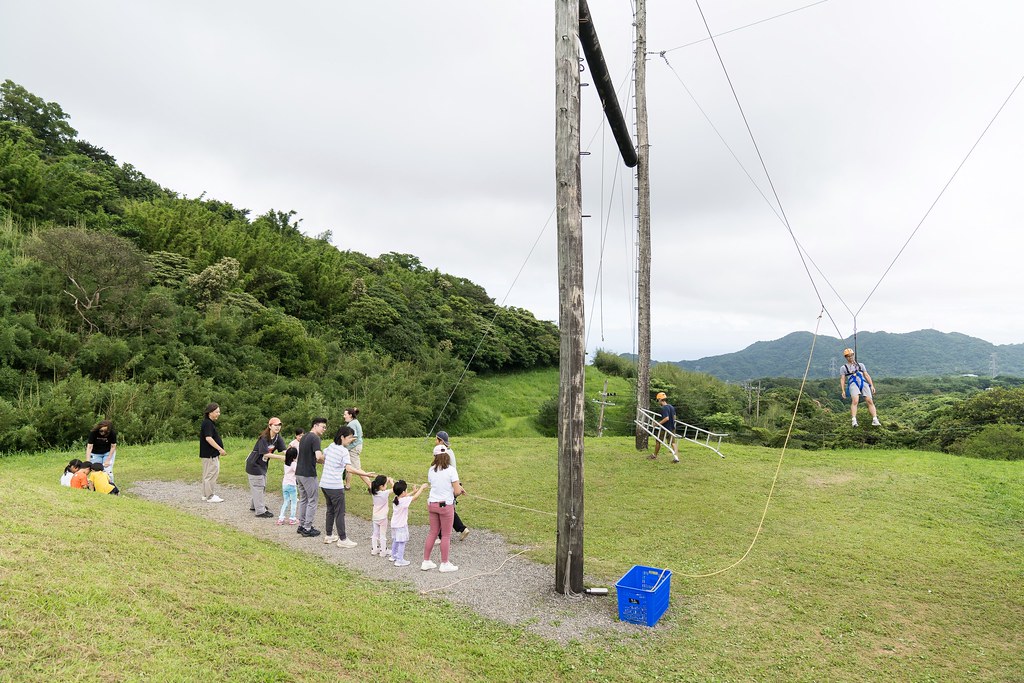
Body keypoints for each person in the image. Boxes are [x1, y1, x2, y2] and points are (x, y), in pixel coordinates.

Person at [320, 425, 375, 548]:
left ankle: (329, 536)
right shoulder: (344, 451)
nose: (351, 440)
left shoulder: (330, 446)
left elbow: (322, 458)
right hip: (334, 486)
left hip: (324, 484)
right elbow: (349, 468)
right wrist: (365, 474)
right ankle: (343, 539)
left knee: (330, 510)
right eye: (350, 438)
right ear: (342, 437)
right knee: (340, 512)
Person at [421, 448, 464, 573]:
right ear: (447, 456)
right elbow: (456, 491)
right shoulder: (451, 470)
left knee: (433, 532)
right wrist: (459, 490)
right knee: (446, 535)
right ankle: (444, 563)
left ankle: (426, 561)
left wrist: (455, 488)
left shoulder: (431, 470)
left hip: (432, 504)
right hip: (445, 506)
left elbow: (439, 484)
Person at [245, 418, 287, 518]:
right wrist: (281, 458)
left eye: (279, 425)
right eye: (275, 425)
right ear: (269, 426)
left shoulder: (277, 438)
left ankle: (255, 505)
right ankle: (260, 511)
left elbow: (284, 450)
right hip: (254, 464)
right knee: (259, 485)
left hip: (262, 465)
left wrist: (291, 456)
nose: (277, 427)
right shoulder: (263, 438)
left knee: (261, 486)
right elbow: (265, 453)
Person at [432, 431, 470, 542]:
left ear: (441, 441)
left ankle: (441, 537)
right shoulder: (450, 451)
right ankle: (461, 529)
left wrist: (457, 487)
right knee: (447, 509)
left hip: (448, 486)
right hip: (452, 484)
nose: (435, 441)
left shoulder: (444, 455)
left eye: (436, 439)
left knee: (441, 509)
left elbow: (444, 473)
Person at [295, 417, 328, 538]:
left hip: (299, 472)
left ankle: (302, 525)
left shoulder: (304, 437)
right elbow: (318, 456)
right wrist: (327, 460)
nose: (324, 429)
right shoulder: (315, 438)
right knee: (313, 500)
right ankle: (307, 528)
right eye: (323, 427)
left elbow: (309, 456)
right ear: (315, 425)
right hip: (308, 474)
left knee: (304, 499)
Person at [390, 480, 427, 567]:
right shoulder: (403, 501)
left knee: (395, 540)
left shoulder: (396, 499)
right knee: (402, 542)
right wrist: (421, 488)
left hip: (394, 524)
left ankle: (393, 555)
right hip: (401, 525)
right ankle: (400, 560)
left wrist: (413, 491)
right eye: (406, 490)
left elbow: (405, 496)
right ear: (403, 492)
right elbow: (415, 498)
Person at [841, 348, 881, 427]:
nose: (850, 357)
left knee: (869, 401)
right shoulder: (844, 368)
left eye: (851, 355)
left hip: (863, 382)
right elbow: (842, 379)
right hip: (853, 383)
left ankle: (875, 419)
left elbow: (866, 375)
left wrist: (872, 385)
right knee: (855, 400)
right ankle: (854, 420)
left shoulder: (860, 365)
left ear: (853, 355)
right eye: (848, 356)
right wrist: (843, 390)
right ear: (846, 357)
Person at [199, 403, 227, 503]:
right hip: (210, 454)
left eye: (219, 412)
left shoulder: (209, 423)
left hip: (210, 454)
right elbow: (208, 438)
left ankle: (205, 494)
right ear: (210, 412)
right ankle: (210, 496)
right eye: (216, 412)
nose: (218, 414)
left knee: (208, 474)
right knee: (211, 474)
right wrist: (220, 449)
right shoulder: (207, 423)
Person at [649, 392, 679, 463]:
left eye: (657, 400)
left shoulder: (664, 408)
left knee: (658, 441)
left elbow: (666, 418)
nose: (658, 402)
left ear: (660, 399)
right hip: (672, 428)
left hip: (665, 428)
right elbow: (674, 417)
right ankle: (676, 458)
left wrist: (657, 424)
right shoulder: (671, 407)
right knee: (673, 443)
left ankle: (654, 455)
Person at [369, 475, 393, 556]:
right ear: (381, 486)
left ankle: (374, 549)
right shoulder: (384, 493)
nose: (386, 485)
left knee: (375, 533)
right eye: (385, 484)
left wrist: (386, 481)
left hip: (375, 516)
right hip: (383, 518)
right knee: (382, 534)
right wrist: (391, 482)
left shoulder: (373, 492)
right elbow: (395, 489)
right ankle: (383, 551)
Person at [342, 407, 363, 490]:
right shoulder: (354, 422)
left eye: (345, 414)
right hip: (355, 447)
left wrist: (345, 442)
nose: (344, 416)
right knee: (349, 467)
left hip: (354, 448)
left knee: (357, 469)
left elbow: (355, 436)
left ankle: (371, 485)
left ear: (350, 415)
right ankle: (347, 485)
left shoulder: (352, 424)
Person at [278, 446, 299, 526]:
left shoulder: (286, 463)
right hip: (292, 485)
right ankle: (292, 518)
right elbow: (297, 472)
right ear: (295, 456)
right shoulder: (294, 464)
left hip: (285, 484)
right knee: (294, 502)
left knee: (286, 501)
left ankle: (281, 518)